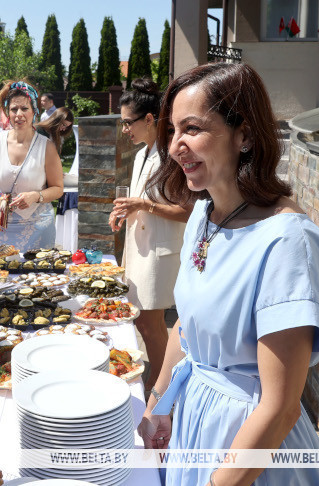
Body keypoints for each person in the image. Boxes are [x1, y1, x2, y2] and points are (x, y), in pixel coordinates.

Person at [137, 63, 319, 486]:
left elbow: (280, 407)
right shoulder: (203, 215)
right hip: (197, 425)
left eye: (192, 128)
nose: (176, 146)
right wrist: (158, 401)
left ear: (245, 135)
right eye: (172, 131)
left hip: (251, 453)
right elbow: (188, 326)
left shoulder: (287, 242)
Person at [107, 78, 190, 392]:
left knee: (150, 325)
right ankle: (163, 384)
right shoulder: (142, 153)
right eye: (122, 123)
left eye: (128, 123)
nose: (124, 129)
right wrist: (125, 211)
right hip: (140, 249)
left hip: (159, 253)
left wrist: (143, 204)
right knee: (144, 322)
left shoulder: (171, 156)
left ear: (150, 119)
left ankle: (162, 389)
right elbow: (141, 200)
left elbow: (188, 210)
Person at [0, 81, 63, 250]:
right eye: (14, 109)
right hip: (1, 227)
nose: (19, 114)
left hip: (39, 228)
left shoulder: (46, 147)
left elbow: (58, 188)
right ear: (7, 112)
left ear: (34, 111)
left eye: (25, 109)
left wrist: (35, 196)